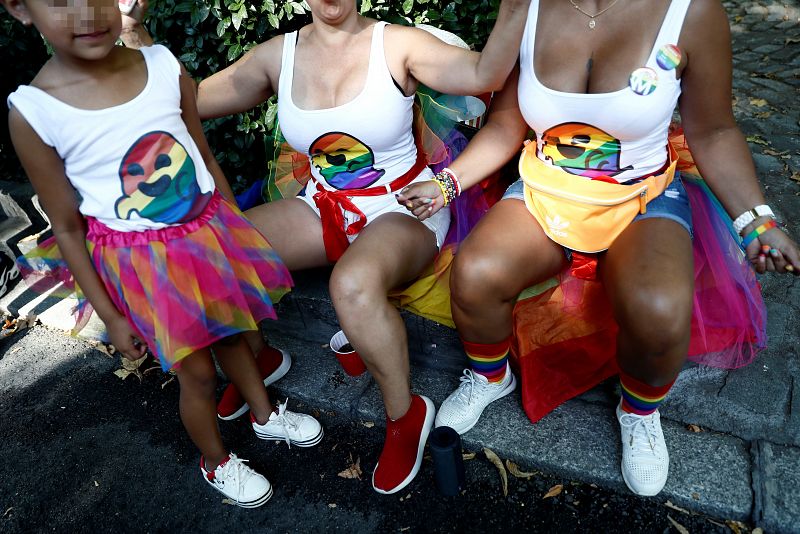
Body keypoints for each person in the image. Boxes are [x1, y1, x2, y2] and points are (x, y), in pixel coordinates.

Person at [122, 0, 530, 494]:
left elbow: (486, 70)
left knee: (353, 284)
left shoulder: (396, 44)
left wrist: (516, 8)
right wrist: (132, 30)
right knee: (216, 254)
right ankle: (259, 359)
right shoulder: (279, 55)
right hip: (323, 205)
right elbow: (187, 99)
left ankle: (405, 414)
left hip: (404, 206)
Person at [398, 0, 799, 497]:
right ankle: (489, 376)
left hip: (642, 193)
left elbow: (714, 129)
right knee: (476, 273)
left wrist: (756, 220)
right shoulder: (528, 8)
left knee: (659, 309)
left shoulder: (690, 11)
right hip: (547, 188)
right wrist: (447, 184)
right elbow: (506, 125)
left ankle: (638, 412)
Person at [3, 0, 323, 508]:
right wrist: (109, 313)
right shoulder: (35, 113)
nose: (86, 12)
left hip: (206, 233)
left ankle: (265, 416)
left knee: (237, 333)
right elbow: (66, 227)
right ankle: (215, 460)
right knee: (195, 374)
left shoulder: (162, 65)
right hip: (143, 265)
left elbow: (200, 152)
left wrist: (235, 230)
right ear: (20, 9)